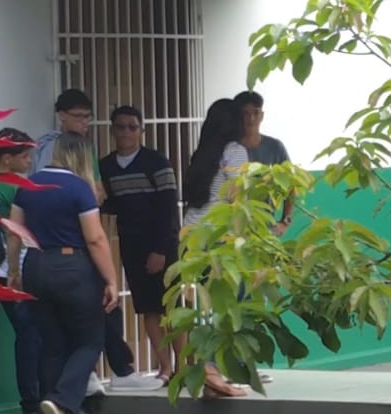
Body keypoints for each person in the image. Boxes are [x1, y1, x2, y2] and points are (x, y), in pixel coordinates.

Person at [6, 133, 120, 414]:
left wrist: (13, 270)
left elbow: (14, 234)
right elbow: (95, 239)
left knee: (52, 343)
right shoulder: (79, 189)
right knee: (90, 341)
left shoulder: (28, 186)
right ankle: (61, 401)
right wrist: (111, 279)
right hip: (73, 268)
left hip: (36, 267)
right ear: (82, 157)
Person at [99, 106, 182, 383]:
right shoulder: (106, 166)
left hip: (163, 244)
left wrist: (161, 249)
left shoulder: (157, 162)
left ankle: (184, 367)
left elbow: (169, 207)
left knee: (173, 307)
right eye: (120, 127)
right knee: (148, 308)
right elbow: (111, 203)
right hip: (131, 246)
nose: (126, 132)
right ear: (112, 130)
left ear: (142, 131)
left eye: (132, 127)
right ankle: (164, 368)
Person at [180, 98, 254, 398]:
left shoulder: (201, 155)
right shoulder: (235, 152)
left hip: (191, 236)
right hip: (219, 238)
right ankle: (219, 370)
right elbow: (237, 198)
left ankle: (202, 370)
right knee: (229, 304)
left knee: (200, 306)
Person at [0, 128, 43, 414]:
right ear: (7, 159)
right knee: (31, 338)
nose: (30, 162)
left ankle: (34, 405)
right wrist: (16, 272)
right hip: (17, 272)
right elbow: (19, 234)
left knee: (28, 336)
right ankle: (32, 407)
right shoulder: (17, 188)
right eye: (25, 157)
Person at [234, 90, 294, 235]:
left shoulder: (275, 147)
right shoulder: (230, 149)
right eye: (245, 113)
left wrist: (285, 222)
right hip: (234, 229)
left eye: (255, 112)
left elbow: (290, 186)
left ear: (262, 116)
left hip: (267, 228)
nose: (251, 118)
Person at [30, 88, 95, 176]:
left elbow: (96, 185)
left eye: (87, 116)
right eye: (78, 116)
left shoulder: (87, 147)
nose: (84, 122)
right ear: (62, 115)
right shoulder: (51, 145)